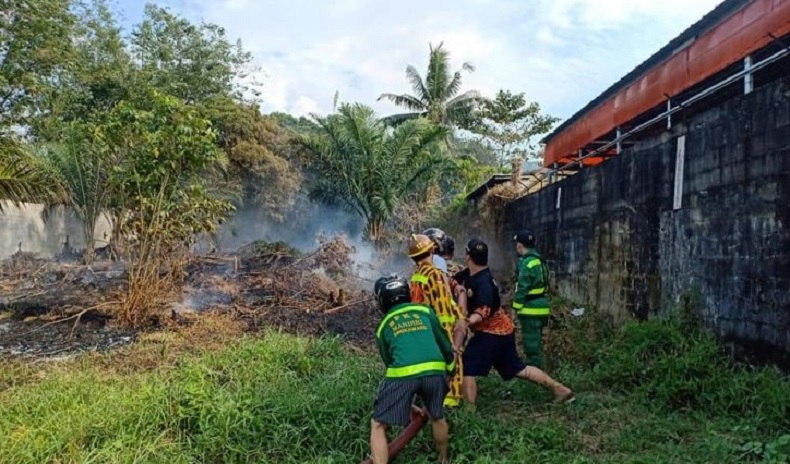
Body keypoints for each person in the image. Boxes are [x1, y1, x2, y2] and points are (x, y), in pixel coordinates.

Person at [450, 238, 575, 408]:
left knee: (467, 365)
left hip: (493, 332)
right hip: (503, 331)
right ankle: (560, 389)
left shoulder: (485, 283)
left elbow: (483, 311)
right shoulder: (469, 274)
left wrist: (466, 321)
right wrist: (456, 286)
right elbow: (453, 279)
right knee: (517, 369)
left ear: (467, 257)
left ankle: (469, 413)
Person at [370, 275, 456, 464]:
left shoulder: (383, 326)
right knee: (437, 417)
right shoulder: (425, 311)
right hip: (435, 372)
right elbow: (445, 345)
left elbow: (389, 363)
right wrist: (451, 371)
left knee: (377, 424)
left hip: (403, 375)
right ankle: (443, 459)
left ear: (382, 300)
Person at [407, 233, 465, 408]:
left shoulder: (416, 275)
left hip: (423, 327)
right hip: (440, 328)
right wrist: (451, 339)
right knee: (453, 365)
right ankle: (450, 403)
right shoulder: (435, 275)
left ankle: (428, 399)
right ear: (432, 250)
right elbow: (442, 306)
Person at [512, 229, 551, 369]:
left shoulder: (527, 263)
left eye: (517, 243)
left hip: (530, 310)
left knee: (531, 345)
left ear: (520, 245)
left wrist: (515, 308)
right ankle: (538, 368)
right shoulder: (540, 260)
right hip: (542, 307)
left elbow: (522, 288)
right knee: (537, 342)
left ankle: (534, 372)